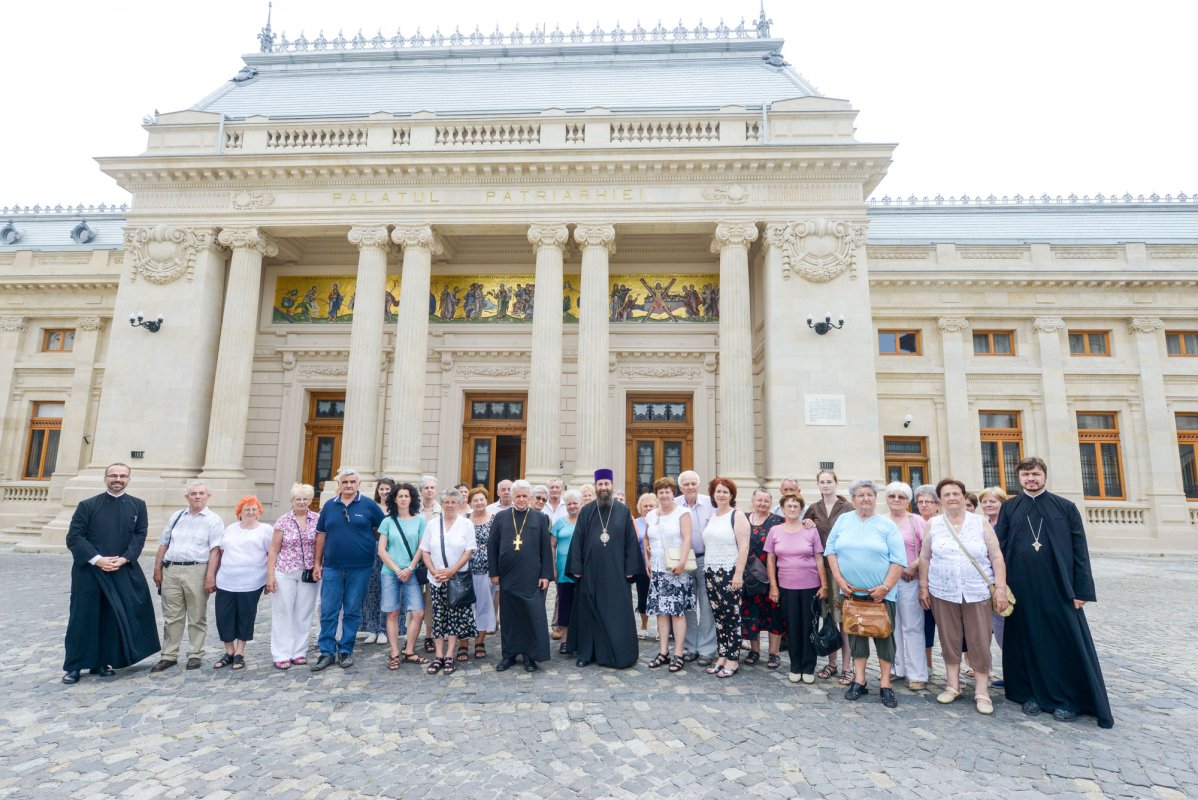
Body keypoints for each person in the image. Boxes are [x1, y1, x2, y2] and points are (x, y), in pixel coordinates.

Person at [995, 457, 1113, 728]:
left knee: (1063, 642)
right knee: (1028, 641)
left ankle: (1068, 698)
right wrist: (999, 587)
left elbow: (1080, 552)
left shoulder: (1065, 507)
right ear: (1019, 478)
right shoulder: (1010, 508)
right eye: (1025, 475)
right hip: (1022, 589)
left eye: (1035, 474)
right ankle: (1031, 693)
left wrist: (1080, 590)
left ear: (1044, 476)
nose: (1030, 479)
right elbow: (998, 550)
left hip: (1058, 588)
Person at [62, 464, 159, 684]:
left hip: (120, 569)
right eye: (113, 475)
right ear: (105, 478)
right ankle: (75, 666)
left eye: (122, 476)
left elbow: (139, 536)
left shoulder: (138, 506)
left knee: (111, 618)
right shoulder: (87, 505)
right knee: (83, 618)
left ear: (128, 479)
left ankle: (103, 662)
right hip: (89, 572)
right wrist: (98, 560)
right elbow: (75, 537)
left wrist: (124, 558)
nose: (118, 479)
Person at [918, 478, 1006, 714]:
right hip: (943, 591)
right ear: (940, 500)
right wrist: (924, 587)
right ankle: (952, 685)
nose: (952, 498)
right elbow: (925, 557)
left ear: (963, 495)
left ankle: (981, 690)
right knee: (950, 639)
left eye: (956, 493)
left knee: (979, 641)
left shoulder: (980, 523)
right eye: (946, 494)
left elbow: (996, 556)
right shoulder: (934, 524)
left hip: (976, 591)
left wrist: (1000, 588)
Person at [825, 479, 907, 709]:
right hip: (851, 593)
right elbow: (830, 551)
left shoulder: (886, 525)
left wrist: (885, 588)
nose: (865, 499)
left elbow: (899, 560)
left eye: (869, 495)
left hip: (881, 595)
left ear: (875, 498)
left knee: (884, 638)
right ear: (852, 499)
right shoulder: (843, 520)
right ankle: (859, 680)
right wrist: (840, 580)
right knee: (856, 637)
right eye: (860, 495)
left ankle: (885, 684)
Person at [565, 470, 644, 668]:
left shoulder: (623, 511)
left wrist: (630, 568)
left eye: (606, 484)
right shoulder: (587, 510)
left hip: (616, 572)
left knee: (615, 612)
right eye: (600, 484)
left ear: (612, 485)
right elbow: (578, 539)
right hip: (590, 571)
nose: (603, 488)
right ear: (595, 486)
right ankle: (586, 653)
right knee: (588, 611)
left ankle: (617, 652)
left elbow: (631, 541)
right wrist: (576, 566)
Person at [310, 468, 385, 671]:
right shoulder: (329, 506)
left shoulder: (369, 505)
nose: (349, 485)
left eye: (352, 482)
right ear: (340, 485)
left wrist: (376, 547)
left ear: (358, 483)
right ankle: (326, 652)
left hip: (360, 568)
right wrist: (317, 563)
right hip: (332, 567)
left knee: (352, 610)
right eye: (345, 482)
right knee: (328, 610)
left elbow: (383, 530)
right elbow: (321, 536)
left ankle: (345, 650)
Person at [150, 481, 224, 673]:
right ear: (187, 497)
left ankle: (194, 654)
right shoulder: (176, 516)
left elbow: (215, 550)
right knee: (171, 616)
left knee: (197, 615)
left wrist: (210, 577)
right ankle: (169, 655)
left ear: (208, 496)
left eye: (201, 493)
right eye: (193, 494)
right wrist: (158, 569)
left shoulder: (213, 520)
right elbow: (163, 544)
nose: (197, 497)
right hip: (171, 569)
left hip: (197, 570)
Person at [488, 481, 553, 672]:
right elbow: (492, 547)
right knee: (509, 616)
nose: (522, 499)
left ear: (530, 497)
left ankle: (529, 656)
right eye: (518, 496)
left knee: (530, 615)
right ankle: (508, 655)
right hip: (508, 576)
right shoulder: (500, 517)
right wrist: (494, 573)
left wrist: (545, 574)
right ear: (512, 497)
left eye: (525, 496)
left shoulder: (540, 518)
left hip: (532, 576)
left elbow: (545, 548)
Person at [765, 492, 827, 684]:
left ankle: (808, 667)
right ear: (782, 509)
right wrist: (773, 586)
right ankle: (795, 666)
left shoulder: (810, 530)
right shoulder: (775, 531)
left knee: (809, 626)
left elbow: (818, 557)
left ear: (801, 510)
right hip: (786, 586)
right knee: (792, 627)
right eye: (788, 506)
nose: (792, 509)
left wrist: (824, 585)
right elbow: (771, 559)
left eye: (795, 506)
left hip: (810, 586)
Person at [210, 495, 273, 670]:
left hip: (251, 581)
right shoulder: (230, 529)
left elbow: (271, 554)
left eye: (254, 509)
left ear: (259, 512)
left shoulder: (266, 530)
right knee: (224, 615)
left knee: (245, 616)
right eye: (247, 509)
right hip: (226, 580)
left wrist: (270, 576)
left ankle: (240, 652)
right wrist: (212, 575)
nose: (251, 512)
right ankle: (228, 651)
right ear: (240, 512)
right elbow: (220, 553)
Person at [802, 469, 853, 683]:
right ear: (818, 485)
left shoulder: (848, 508)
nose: (826, 485)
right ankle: (831, 664)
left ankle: (847, 667)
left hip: (843, 568)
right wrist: (808, 523)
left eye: (829, 481)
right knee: (829, 618)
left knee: (845, 620)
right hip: (822, 569)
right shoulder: (813, 509)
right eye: (822, 482)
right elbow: (803, 531)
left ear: (836, 483)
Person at [421, 487, 477, 675]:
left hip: (456, 579)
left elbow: (469, 551)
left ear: (459, 503)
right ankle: (438, 655)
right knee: (437, 617)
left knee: (453, 618)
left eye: (454, 502)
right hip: (436, 579)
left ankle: (450, 655)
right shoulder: (433, 524)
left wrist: (452, 571)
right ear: (442, 504)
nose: (450, 505)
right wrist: (434, 571)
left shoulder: (466, 524)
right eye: (447, 502)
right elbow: (425, 550)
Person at [643, 476, 694, 673]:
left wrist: (681, 562)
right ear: (657, 494)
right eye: (661, 491)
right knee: (661, 612)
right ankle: (663, 651)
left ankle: (678, 653)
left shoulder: (682, 513)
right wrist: (647, 560)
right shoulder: (651, 515)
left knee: (677, 612)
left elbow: (687, 539)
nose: (664, 495)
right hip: (657, 569)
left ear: (674, 494)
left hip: (675, 570)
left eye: (667, 491)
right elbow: (647, 538)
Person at [267, 483, 320, 670]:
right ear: (292, 500)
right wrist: (270, 576)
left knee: (304, 612)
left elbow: (319, 545)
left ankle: (299, 651)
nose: (302, 502)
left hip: (308, 573)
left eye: (305, 499)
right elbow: (273, 550)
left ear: (310, 500)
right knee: (284, 612)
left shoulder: (317, 519)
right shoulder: (283, 521)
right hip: (285, 571)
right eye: (298, 499)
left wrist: (317, 565)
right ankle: (282, 653)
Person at [702, 477, 751, 678]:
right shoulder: (713, 516)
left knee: (732, 616)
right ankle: (722, 655)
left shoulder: (737, 516)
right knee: (719, 617)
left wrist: (738, 574)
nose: (721, 495)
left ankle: (732, 658)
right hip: (710, 571)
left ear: (731, 495)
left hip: (730, 572)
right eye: (718, 491)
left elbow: (744, 546)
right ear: (713, 494)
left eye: (725, 491)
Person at [376, 482, 428, 670]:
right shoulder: (387, 521)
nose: (404, 499)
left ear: (412, 499)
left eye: (407, 496)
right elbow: (381, 550)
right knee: (393, 612)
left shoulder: (420, 520)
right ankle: (395, 652)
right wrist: (397, 569)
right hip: (390, 572)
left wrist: (410, 568)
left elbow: (422, 547)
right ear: (394, 499)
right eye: (400, 496)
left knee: (418, 612)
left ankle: (410, 650)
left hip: (411, 572)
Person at [884, 481, 928, 691]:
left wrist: (914, 566)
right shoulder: (881, 521)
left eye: (901, 497)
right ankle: (896, 668)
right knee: (891, 627)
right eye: (892, 496)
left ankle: (917, 673)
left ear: (908, 501)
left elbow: (928, 549)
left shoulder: (916, 521)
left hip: (909, 580)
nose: (896, 500)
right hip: (887, 583)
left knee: (912, 627)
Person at [677, 470, 717, 666]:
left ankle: (707, 649)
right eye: (686, 484)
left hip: (705, 559)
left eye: (693, 483)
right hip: (683, 561)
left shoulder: (711, 503)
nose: (690, 487)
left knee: (707, 604)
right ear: (680, 487)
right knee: (688, 605)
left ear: (698, 485)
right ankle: (691, 647)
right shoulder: (675, 504)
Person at [743, 487, 784, 668]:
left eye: (766, 501)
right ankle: (755, 650)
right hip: (749, 576)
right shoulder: (743, 519)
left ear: (771, 503)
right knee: (751, 613)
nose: (762, 504)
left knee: (774, 613)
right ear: (752, 501)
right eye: (759, 500)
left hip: (772, 575)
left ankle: (774, 653)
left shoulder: (778, 521)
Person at [978, 485, 1010, 686]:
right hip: (985, 585)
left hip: (1004, 585)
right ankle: (1010, 674)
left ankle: (1017, 674)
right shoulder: (983, 524)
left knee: (1007, 630)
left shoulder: (1007, 526)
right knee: (998, 632)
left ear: (1002, 503)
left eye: (993, 501)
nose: (988, 505)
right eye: (984, 501)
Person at [358, 479, 395, 646]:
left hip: (391, 552)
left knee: (387, 591)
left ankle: (384, 629)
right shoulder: (371, 507)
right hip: (372, 550)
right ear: (377, 490)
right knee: (371, 591)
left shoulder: (396, 508)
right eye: (382, 489)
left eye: (388, 489)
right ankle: (372, 628)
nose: (384, 492)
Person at [913, 483, 941, 676]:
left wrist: (913, 565)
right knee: (924, 624)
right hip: (917, 581)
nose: (923, 505)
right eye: (920, 502)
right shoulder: (913, 521)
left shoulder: (941, 522)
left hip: (938, 579)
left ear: (937, 504)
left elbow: (927, 553)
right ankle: (927, 663)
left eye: (928, 502)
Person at [550, 490, 582, 654]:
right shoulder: (560, 523)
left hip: (582, 572)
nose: (572, 506)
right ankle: (564, 640)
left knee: (581, 606)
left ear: (580, 504)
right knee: (565, 604)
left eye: (575, 503)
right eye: (569, 503)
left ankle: (580, 639)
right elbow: (552, 546)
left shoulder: (585, 522)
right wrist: (553, 568)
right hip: (563, 571)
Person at [467, 487, 497, 660]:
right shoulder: (464, 520)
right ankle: (464, 643)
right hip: (466, 570)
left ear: (487, 501)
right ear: (470, 503)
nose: (479, 502)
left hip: (487, 570)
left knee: (484, 606)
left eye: (482, 499)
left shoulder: (495, 519)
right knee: (466, 606)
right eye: (475, 500)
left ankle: (480, 642)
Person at [417, 475, 441, 652]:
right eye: (426, 488)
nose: (430, 490)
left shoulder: (441, 510)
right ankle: (412, 635)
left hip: (435, 561)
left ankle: (429, 636)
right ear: (421, 490)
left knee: (431, 600)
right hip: (416, 561)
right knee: (415, 601)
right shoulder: (413, 510)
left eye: (432, 487)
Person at [632, 493, 656, 636]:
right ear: (640, 508)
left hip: (659, 562)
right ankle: (644, 626)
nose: (648, 508)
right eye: (645, 506)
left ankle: (661, 628)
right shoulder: (635, 522)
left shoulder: (660, 520)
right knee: (643, 594)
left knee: (659, 595)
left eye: (651, 505)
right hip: (641, 565)